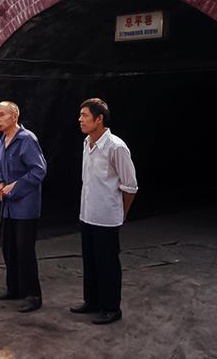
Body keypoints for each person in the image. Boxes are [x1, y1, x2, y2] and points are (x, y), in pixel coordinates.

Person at [70, 98, 138, 325]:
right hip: (87, 213)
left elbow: (130, 186)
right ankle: (92, 301)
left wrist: (121, 214)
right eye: (80, 115)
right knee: (90, 261)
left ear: (99, 119)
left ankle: (111, 308)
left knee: (107, 264)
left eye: (85, 116)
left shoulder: (116, 147)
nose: (80, 120)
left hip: (107, 218)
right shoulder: (86, 143)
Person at [0, 101, 47, 313]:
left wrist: (15, 185)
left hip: (25, 205)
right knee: (9, 248)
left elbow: (39, 170)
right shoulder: (2, 140)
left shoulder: (26, 139)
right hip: (7, 206)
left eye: (2, 115)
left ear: (14, 116)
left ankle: (33, 294)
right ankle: (13, 287)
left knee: (25, 250)